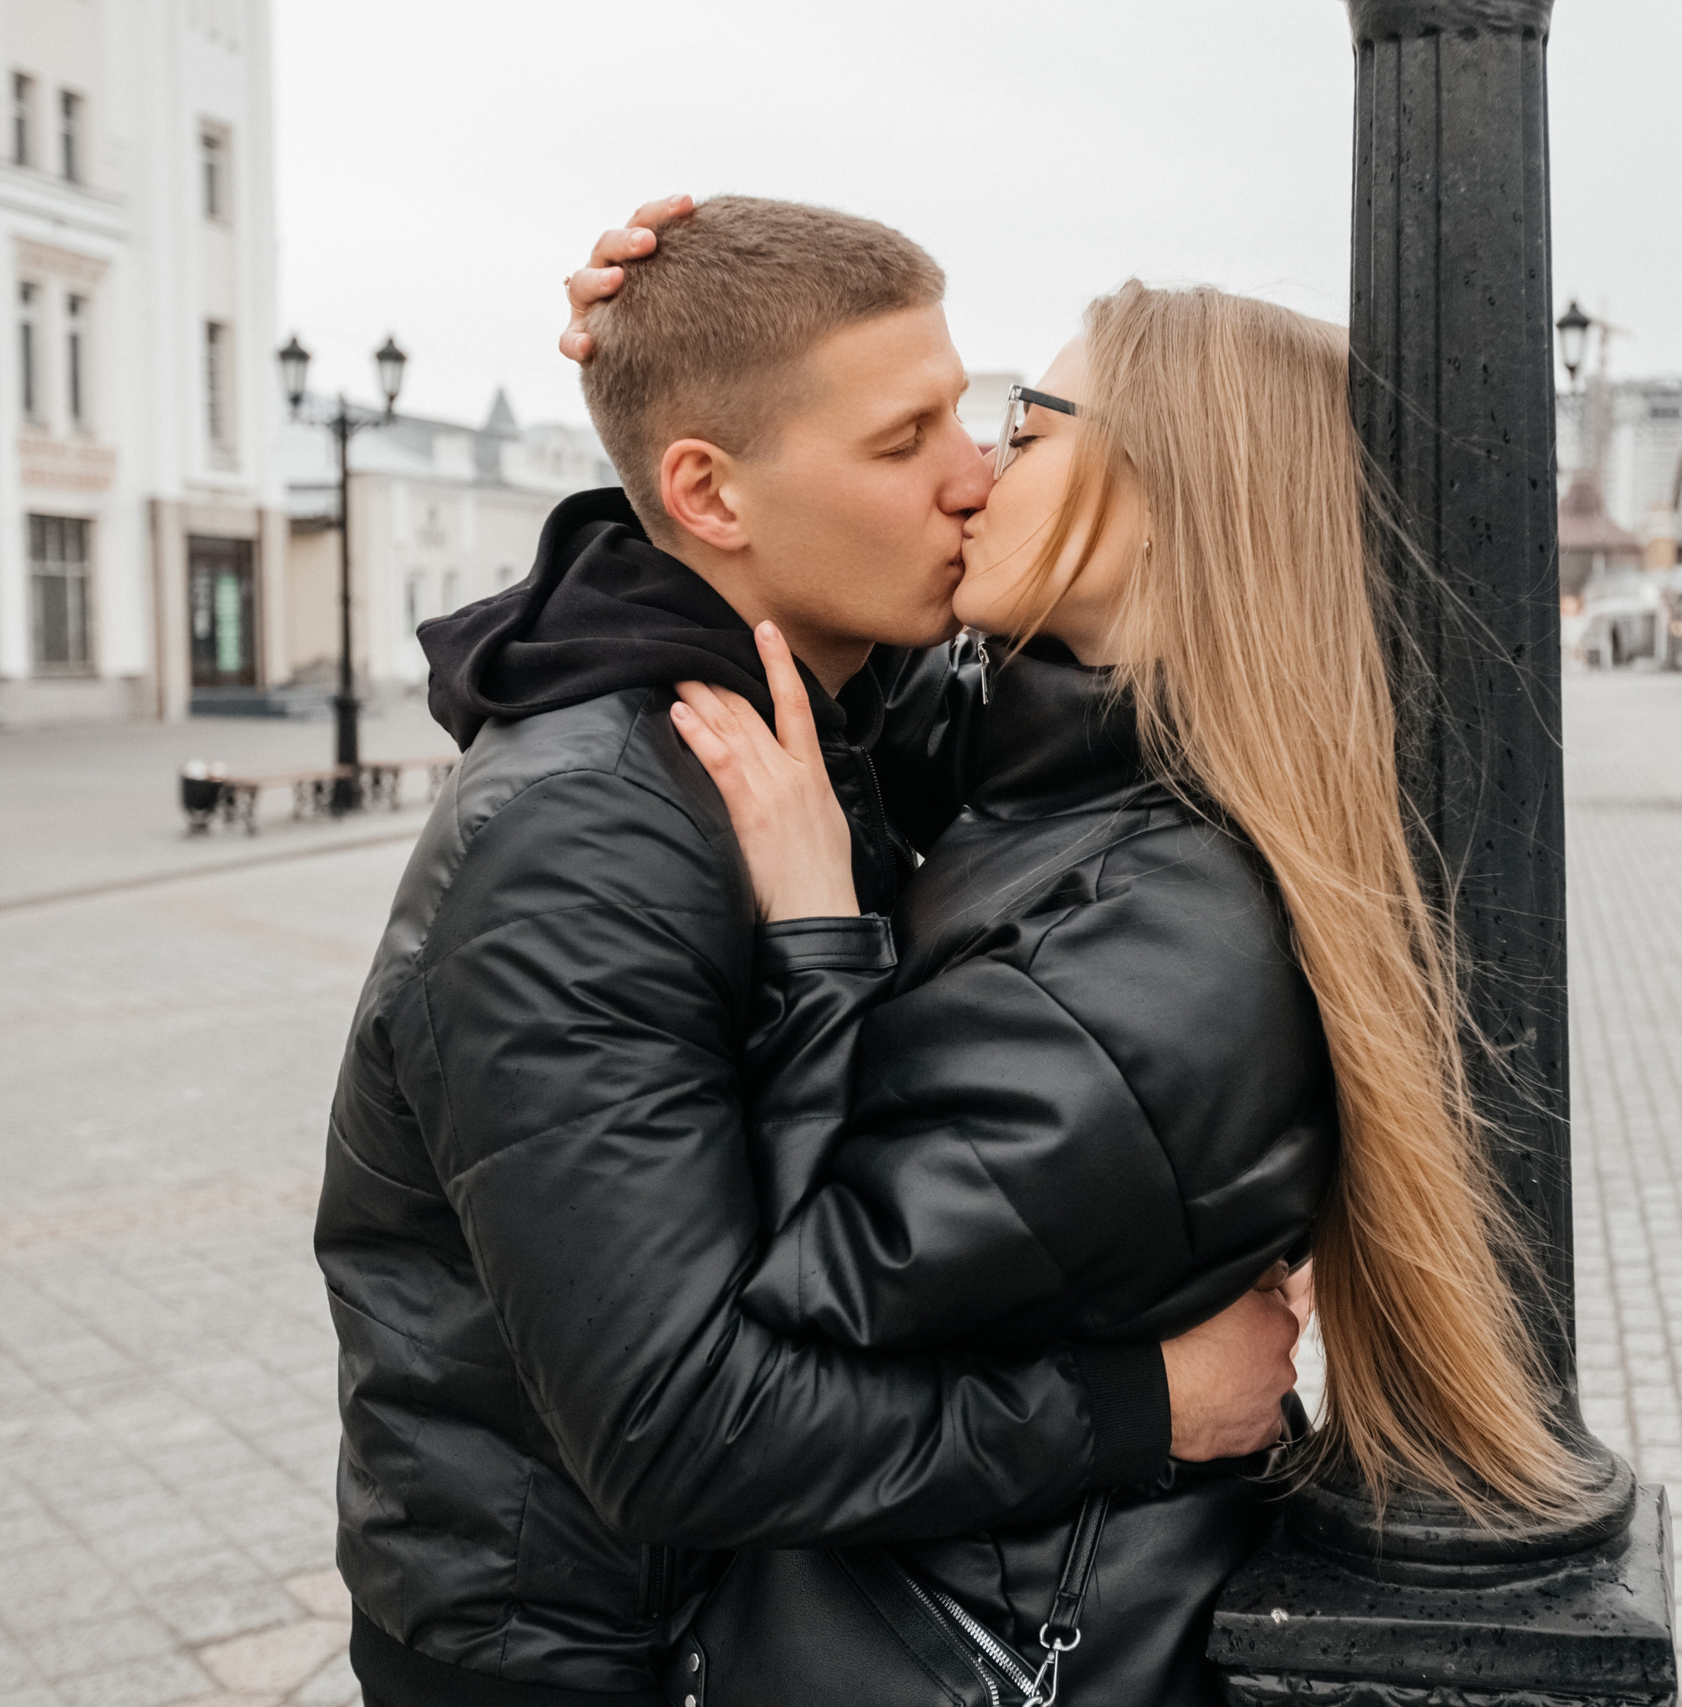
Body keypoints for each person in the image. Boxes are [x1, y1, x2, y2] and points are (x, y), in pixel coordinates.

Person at [566, 230, 1597, 1703]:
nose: (978, 475)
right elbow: (796, 599)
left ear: (1176, 493)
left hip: (934, 1642)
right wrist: (679, 372)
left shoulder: (1150, 957)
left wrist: (814, 938)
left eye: (1022, 429)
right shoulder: (1057, 760)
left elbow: (799, 1296)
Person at [315, 196, 1304, 1707]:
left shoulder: (822, 706)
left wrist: (673, 343)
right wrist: (1141, 1407)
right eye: (903, 443)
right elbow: (674, 1429)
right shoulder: (584, 841)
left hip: (736, 1617)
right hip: (572, 1655)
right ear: (708, 495)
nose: (972, 478)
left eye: (977, 421)